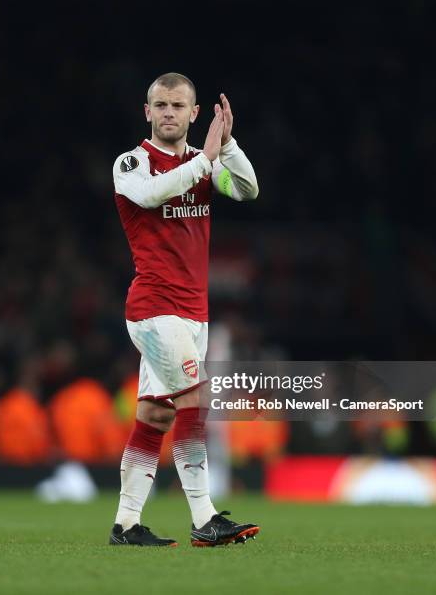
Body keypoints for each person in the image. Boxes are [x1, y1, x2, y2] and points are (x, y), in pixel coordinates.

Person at [111, 73, 260, 547]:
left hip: (194, 313)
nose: (169, 112)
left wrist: (228, 144)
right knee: (194, 401)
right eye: (161, 104)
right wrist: (206, 161)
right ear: (147, 111)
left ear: (195, 114)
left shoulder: (204, 161)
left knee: (155, 416)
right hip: (155, 309)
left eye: (178, 105)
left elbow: (246, 189)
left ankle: (126, 524)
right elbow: (155, 194)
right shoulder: (131, 163)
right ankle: (204, 519)